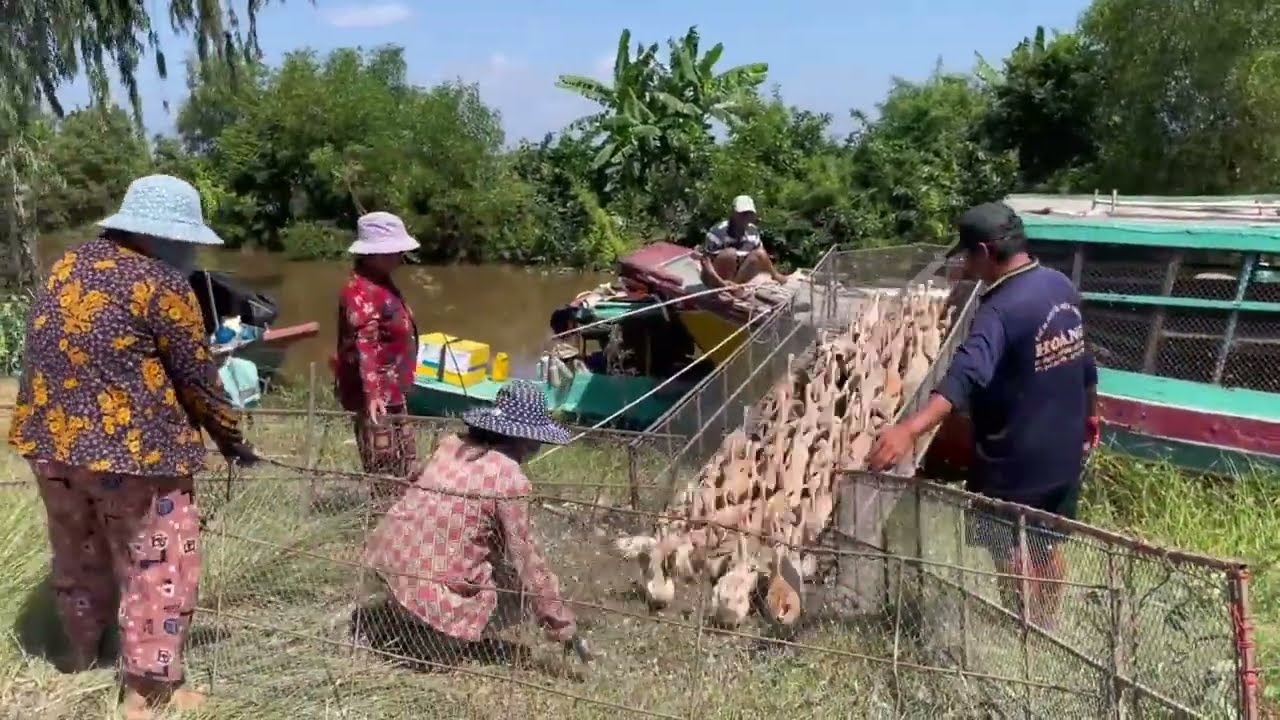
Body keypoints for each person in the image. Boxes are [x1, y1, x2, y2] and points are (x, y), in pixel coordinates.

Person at [5, 174, 257, 720]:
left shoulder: (68, 266)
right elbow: (198, 378)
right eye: (186, 240)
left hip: (50, 446)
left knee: (78, 551)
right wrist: (232, 440)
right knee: (159, 565)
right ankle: (147, 693)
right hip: (135, 456)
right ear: (163, 236)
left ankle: (78, 655)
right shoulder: (161, 284)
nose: (190, 251)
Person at [868, 201, 1099, 628]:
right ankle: (1048, 624)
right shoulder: (1059, 286)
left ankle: (1021, 624)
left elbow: (964, 376)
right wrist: (1090, 417)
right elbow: (1085, 366)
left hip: (1016, 460)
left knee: (1009, 547)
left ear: (984, 250)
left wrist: (908, 429)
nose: (965, 264)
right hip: (1064, 452)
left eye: (967, 256)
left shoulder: (1001, 308)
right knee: (1046, 542)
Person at [361, 381, 581, 661]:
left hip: (386, 562)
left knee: (484, 562)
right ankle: (435, 644)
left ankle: (395, 622)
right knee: (518, 587)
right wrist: (560, 621)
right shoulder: (510, 478)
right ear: (526, 439)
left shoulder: (451, 445)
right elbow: (526, 559)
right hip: (427, 587)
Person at [334, 212, 421, 496]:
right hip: (376, 394)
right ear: (373, 254)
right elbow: (365, 344)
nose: (400, 256)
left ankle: (405, 514)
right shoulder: (360, 290)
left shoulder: (382, 282)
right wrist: (372, 395)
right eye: (393, 251)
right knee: (383, 463)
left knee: (407, 460)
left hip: (392, 389)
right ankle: (384, 520)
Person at [699, 195, 789, 290]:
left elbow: (761, 256)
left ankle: (735, 287)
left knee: (760, 253)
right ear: (733, 213)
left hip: (737, 275)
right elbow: (706, 263)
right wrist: (721, 283)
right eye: (742, 213)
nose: (745, 217)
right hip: (715, 277)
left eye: (749, 214)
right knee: (730, 254)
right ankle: (723, 289)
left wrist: (774, 274)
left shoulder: (753, 231)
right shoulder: (717, 232)